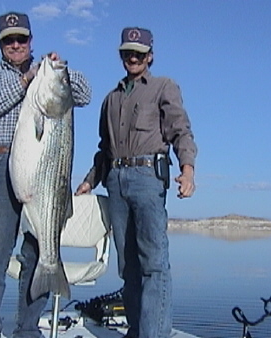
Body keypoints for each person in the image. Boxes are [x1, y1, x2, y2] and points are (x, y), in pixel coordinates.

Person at [0, 11, 91, 338]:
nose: (16, 44)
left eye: (22, 38)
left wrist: (60, 69)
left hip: (45, 174)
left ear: (31, 40)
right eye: (9, 40)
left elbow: (83, 93)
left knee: (35, 254)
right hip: (4, 164)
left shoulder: (47, 75)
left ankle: (27, 329)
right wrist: (25, 81)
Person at [75, 27, 197, 338]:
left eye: (139, 53)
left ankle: (154, 333)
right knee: (127, 266)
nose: (133, 57)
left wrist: (188, 169)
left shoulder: (163, 87)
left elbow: (180, 130)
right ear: (121, 55)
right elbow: (105, 149)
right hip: (115, 180)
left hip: (147, 179)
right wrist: (90, 181)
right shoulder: (110, 99)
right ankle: (137, 330)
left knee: (154, 263)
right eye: (128, 52)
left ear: (150, 56)